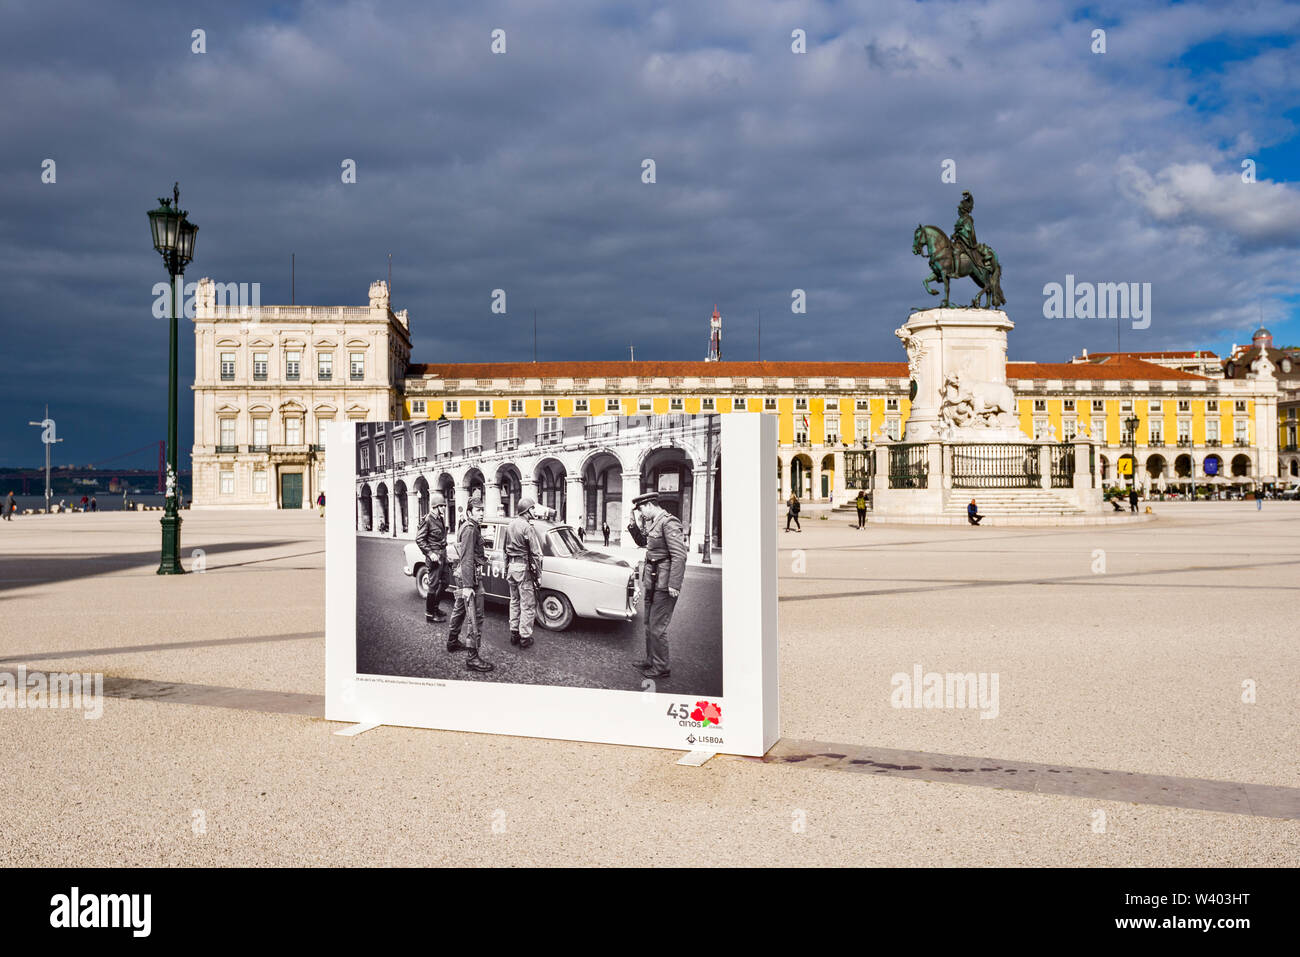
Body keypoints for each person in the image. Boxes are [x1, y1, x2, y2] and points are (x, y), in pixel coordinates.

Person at [627, 491, 688, 680]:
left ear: (650, 505)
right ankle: (651, 660)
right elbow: (643, 542)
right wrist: (632, 523)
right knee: (648, 624)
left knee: (657, 627)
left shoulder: (669, 522)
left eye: (641, 510)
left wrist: (674, 584)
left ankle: (662, 667)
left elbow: (680, 555)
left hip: (664, 583)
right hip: (652, 581)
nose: (641, 514)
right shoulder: (653, 522)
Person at [446, 493, 493, 672]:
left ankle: (452, 641)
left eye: (482, 510)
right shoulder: (470, 529)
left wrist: (481, 558)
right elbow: (466, 557)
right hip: (469, 577)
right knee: (476, 616)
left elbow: (469, 554)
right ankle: (472, 658)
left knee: (459, 609)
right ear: (469, 512)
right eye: (478, 510)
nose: (481, 513)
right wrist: (467, 587)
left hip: (463, 574)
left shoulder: (469, 526)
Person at [503, 496, 544, 649]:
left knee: (514, 601)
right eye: (532, 508)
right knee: (528, 604)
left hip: (511, 569)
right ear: (526, 511)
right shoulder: (527, 527)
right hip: (523, 569)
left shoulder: (510, 525)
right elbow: (534, 553)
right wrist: (538, 575)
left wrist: (507, 567)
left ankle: (514, 633)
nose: (534, 511)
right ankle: (525, 637)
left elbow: (504, 549)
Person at [415, 491, 450, 624]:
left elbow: (441, 537)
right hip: (434, 557)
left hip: (442, 555)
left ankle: (436, 607)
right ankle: (430, 614)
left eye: (444, 506)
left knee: (445, 582)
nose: (444, 508)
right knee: (433, 586)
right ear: (435, 506)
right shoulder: (428, 519)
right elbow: (419, 539)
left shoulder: (440, 518)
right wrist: (430, 553)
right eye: (442, 506)